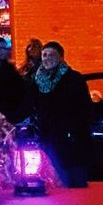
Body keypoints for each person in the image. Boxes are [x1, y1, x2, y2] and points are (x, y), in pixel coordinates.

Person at [22, 41, 92, 188]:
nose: (47, 58)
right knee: (51, 181)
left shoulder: (73, 78)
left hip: (68, 137)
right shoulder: (37, 79)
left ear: (61, 57)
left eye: (52, 55)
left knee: (70, 181)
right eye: (44, 55)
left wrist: (74, 130)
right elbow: (28, 105)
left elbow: (83, 107)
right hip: (45, 136)